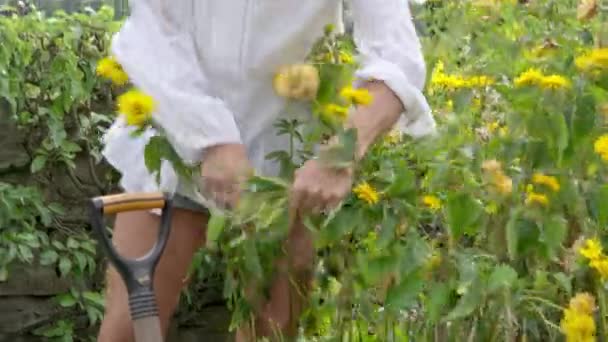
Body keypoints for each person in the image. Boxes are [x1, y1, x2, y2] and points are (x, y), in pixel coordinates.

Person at [98, 0, 436, 341]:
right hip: (175, 134)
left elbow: (397, 58)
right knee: (130, 327)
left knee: (270, 331)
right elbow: (151, 33)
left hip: (285, 168)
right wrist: (212, 139)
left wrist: (339, 154)